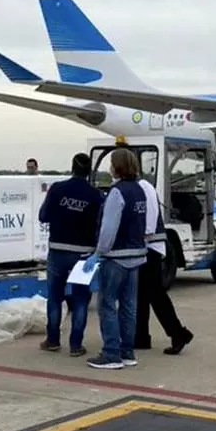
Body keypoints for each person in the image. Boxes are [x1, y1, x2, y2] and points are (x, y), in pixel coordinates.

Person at [83, 148, 148, 370]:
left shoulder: (116, 192)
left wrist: (98, 253)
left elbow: (109, 228)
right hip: (136, 255)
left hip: (116, 257)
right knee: (129, 307)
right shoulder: (140, 190)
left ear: (116, 167)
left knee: (107, 304)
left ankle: (111, 353)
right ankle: (127, 351)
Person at [37, 153, 104, 357]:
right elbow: (100, 225)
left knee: (55, 298)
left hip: (57, 249)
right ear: (89, 170)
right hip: (83, 253)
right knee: (81, 299)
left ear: (72, 167)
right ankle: (76, 345)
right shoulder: (96, 195)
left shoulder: (57, 189)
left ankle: (53, 340)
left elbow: (43, 216)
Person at [135, 176, 194, 355]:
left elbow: (149, 222)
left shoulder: (143, 188)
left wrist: (140, 237)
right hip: (148, 247)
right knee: (142, 295)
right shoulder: (143, 186)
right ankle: (141, 336)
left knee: (155, 294)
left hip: (149, 247)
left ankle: (178, 333)